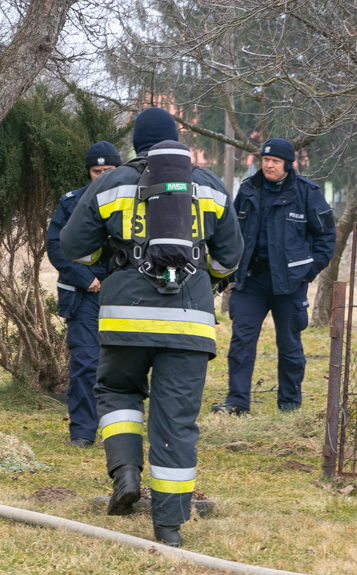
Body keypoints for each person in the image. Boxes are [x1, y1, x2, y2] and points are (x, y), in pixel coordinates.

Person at [60, 107, 243, 547]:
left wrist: (112, 265)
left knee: (118, 391)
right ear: (177, 140)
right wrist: (204, 279)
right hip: (190, 323)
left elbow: (73, 246)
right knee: (176, 422)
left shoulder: (112, 182)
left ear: (136, 145)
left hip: (125, 319)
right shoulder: (210, 185)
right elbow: (230, 256)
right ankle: (169, 527)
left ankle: (125, 472)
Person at [211, 138, 336, 416]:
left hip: (289, 284)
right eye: (265, 160)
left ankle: (289, 405)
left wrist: (309, 272)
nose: (268, 165)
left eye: (275, 161)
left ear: (288, 165)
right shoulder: (248, 189)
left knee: (289, 345)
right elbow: (230, 231)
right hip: (250, 281)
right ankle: (237, 403)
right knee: (241, 342)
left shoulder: (307, 193)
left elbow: (326, 236)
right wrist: (228, 272)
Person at [46, 141, 122, 447]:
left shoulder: (135, 200)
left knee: (122, 364)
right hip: (83, 294)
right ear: (88, 172)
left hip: (123, 293)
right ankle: (81, 432)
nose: (102, 176)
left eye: (108, 170)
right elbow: (56, 246)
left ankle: (119, 429)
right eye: (96, 171)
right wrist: (86, 279)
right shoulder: (70, 203)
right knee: (86, 362)